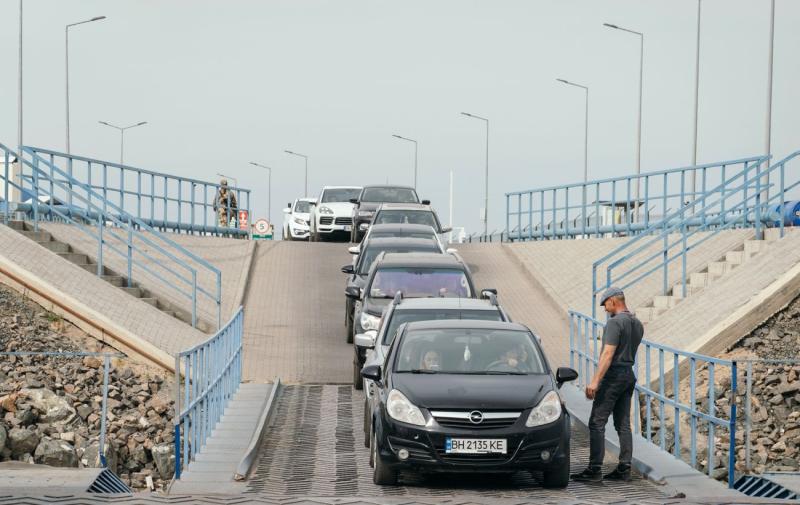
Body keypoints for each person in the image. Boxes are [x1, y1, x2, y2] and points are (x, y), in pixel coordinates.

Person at [571, 286, 644, 483]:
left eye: (605, 304)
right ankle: (624, 468)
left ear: (613, 300)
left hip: (613, 376)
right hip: (629, 374)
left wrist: (595, 381)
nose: (605, 309)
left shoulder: (614, 323)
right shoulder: (637, 323)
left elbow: (608, 353)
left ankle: (594, 469)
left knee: (597, 422)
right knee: (623, 424)